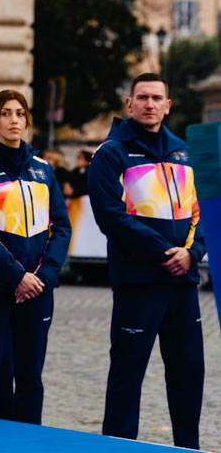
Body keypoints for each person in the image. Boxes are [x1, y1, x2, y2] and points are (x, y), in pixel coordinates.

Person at [88, 73, 205, 450]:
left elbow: (202, 213)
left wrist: (192, 253)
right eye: (142, 97)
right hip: (139, 283)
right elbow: (110, 217)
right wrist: (163, 252)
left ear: (168, 106)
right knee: (127, 375)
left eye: (157, 98)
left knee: (189, 374)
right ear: (129, 104)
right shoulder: (111, 154)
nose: (149, 104)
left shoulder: (184, 152)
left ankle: (188, 447)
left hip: (183, 283)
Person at [0, 90, 71, 424]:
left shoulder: (43, 170)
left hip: (37, 291)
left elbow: (61, 227)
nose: (13, 121)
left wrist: (44, 277)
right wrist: (16, 276)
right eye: (6, 114)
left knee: (30, 381)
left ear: (27, 120)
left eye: (20, 114)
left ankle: (28, 443)